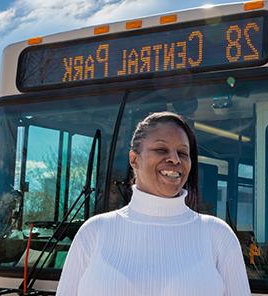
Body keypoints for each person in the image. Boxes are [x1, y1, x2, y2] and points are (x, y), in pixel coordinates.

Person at [56, 111, 251, 296]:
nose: (174, 159)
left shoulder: (219, 236)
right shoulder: (93, 232)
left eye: (183, 153)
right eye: (161, 149)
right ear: (134, 159)